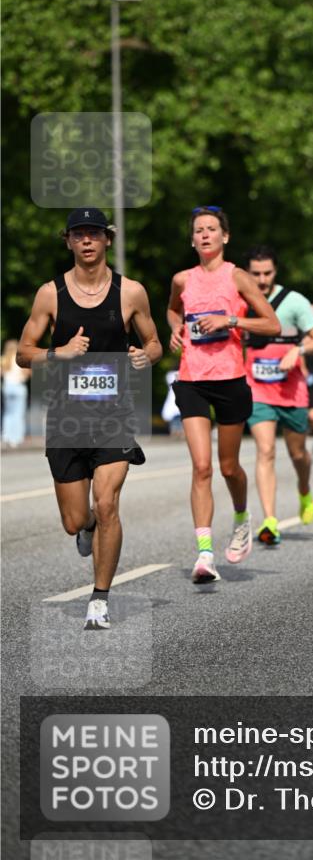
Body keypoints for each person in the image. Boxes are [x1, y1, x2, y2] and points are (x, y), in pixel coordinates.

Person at [16, 207, 162, 630]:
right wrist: (58, 353)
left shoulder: (130, 292)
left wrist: (143, 356)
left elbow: (154, 343)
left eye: (94, 233)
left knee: (108, 501)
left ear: (107, 240)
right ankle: (89, 526)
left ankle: (99, 599)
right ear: (68, 241)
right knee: (75, 521)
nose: (87, 240)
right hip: (65, 419)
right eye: (78, 234)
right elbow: (24, 352)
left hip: (113, 416)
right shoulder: (50, 294)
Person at [167, 207, 280, 582]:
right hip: (192, 379)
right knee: (201, 467)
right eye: (198, 230)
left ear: (224, 237)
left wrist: (230, 320)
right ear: (192, 239)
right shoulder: (182, 279)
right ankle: (204, 555)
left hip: (230, 378)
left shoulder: (239, 278)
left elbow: (271, 323)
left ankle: (242, 517)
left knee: (229, 466)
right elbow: (171, 312)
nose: (204, 235)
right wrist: (175, 330)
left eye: (211, 229)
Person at [244, 245, 313, 546]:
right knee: (265, 450)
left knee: (297, 454)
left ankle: (304, 490)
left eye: (267, 273)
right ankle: (270, 520)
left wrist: (299, 349)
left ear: (275, 271)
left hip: (292, 391)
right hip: (257, 389)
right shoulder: (240, 300)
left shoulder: (293, 302)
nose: (262, 279)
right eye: (255, 274)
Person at [1, 339, 30, 447]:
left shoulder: (4, 359)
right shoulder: (20, 359)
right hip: (18, 387)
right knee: (19, 413)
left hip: (7, 387)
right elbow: (27, 373)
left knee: (8, 412)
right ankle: (17, 438)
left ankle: (7, 436)